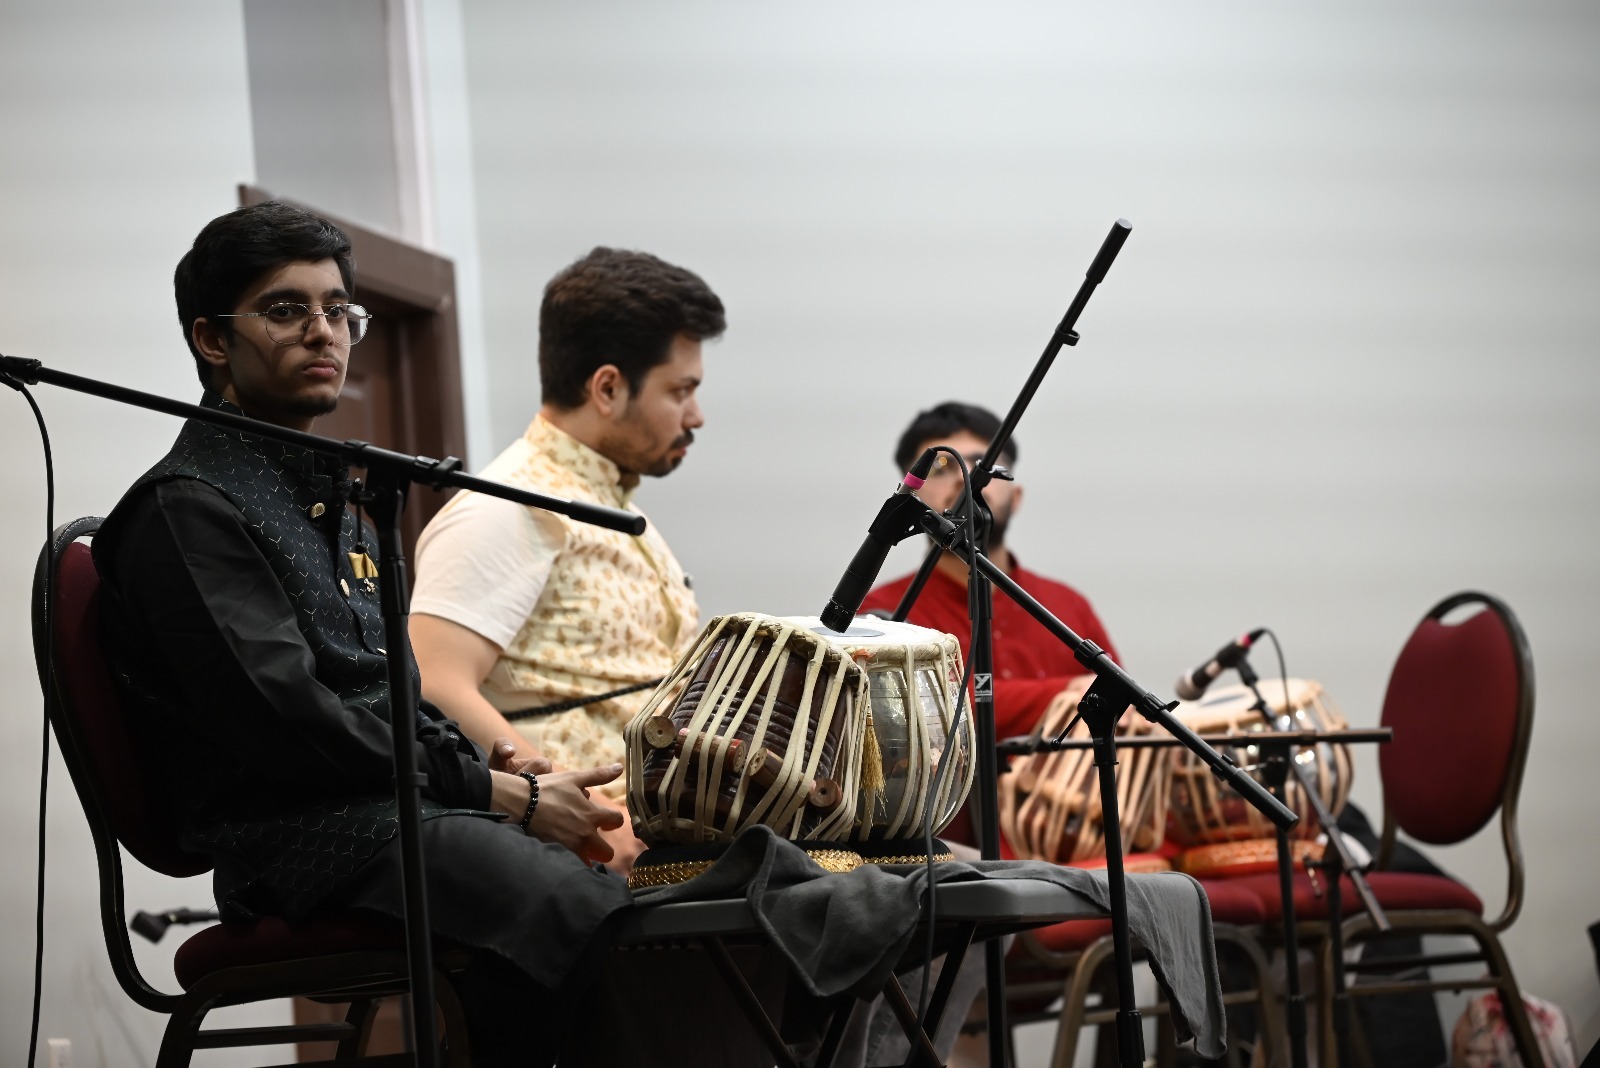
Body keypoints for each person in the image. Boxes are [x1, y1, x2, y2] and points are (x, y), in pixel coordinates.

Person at [93, 202, 633, 1064]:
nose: (324, 331)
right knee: (572, 906)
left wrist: (492, 764)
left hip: (397, 808)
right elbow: (291, 725)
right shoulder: (186, 509)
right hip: (298, 839)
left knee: (642, 892)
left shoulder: (340, 493)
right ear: (212, 340)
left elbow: (389, 690)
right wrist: (500, 796)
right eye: (285, 309)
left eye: (339, 310)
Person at [409, 247, 725, 875]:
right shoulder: (507, 505)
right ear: (607, 388)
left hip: (658, 847)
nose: (696, 415)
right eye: (680, 391)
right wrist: (577, 812)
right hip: (591, 861)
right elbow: (434, 682)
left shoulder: (602, 503)